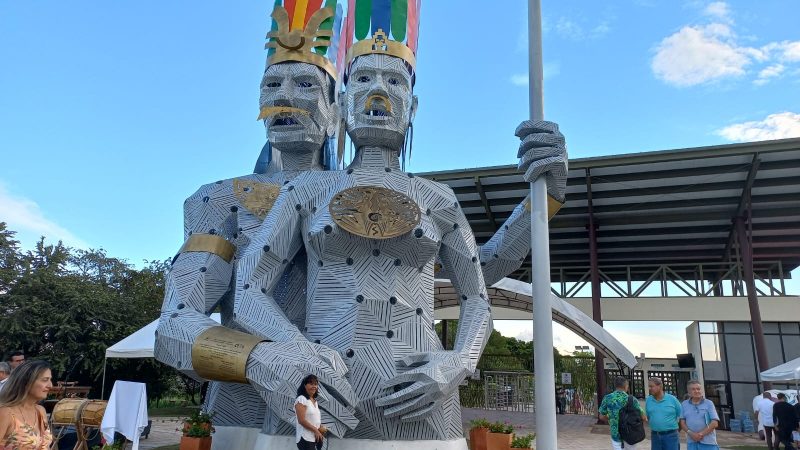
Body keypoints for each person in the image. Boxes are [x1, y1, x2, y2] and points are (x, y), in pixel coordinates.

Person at [0, 360, 53, 450]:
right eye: (45, 380)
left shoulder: (40, 411)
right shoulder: (6, 412)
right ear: (26, 383)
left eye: (50, 380)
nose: (50, 385)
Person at [599, 376, 645, 450]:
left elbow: (601, 416)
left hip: (616, 434)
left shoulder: (607, 398)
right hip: (631, 434)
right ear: (626, 386)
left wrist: (611, 418)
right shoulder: (632, 399)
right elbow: (643, 417)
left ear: (615, 385)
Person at [680, 380, 720, 450]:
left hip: (708, 443)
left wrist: (700, 434)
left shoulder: (709, 403)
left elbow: (714, 423)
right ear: (689, 392)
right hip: (692, 443)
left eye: (698, 389)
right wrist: (692, 434)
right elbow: (682, 423)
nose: (696, 391)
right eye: (693, 389)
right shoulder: (684, 404)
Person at [645, 377, 682, 450]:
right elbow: (649, 417)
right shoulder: (648, 400)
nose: (649, 388)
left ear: (660, 386)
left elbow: (682, 416)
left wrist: (677, 430)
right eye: (649, 386)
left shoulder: (672, 399)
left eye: (651, 386)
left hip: (671, 436)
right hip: (655, 436)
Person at [294, 374, 326, 450]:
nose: (314, 386)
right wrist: (315, 430)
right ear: (305, 385)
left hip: (315, 437)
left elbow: (312, 418)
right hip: (305, 438)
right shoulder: (301, 399)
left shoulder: (314, 401)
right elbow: (301, 420)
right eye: (311, 384)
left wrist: (320, 426)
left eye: (315, 384)